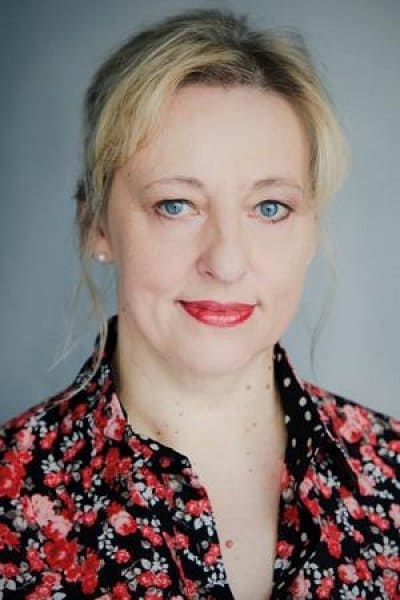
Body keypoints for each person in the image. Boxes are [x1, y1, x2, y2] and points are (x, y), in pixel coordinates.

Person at [0, 8, 399, 600]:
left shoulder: (392, 473)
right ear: (97, 226)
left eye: (270, 208)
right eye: (176, 205)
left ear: (310, 231)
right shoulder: (9, 501)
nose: (226, 261)